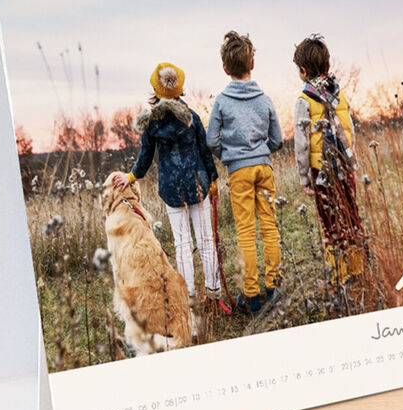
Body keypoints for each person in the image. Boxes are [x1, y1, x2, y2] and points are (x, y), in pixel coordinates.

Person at [116, 62, 223, 304]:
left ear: (156, 90)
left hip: (171, 189)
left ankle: (189, 297)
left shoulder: (151, 124)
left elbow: (144, 158)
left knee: (182, 244)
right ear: (179, 88)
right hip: (198, 184)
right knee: (206, 240)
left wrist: (130, 177)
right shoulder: (192, 117)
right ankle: (213, 293)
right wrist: (213, 179)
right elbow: (205, 151)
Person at [207, 31, 283, 313]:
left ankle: (251, 297)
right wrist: (262, 151)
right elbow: (277, 139)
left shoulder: (221, 102)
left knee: (246, 232)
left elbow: (211, 140)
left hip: (238, 172)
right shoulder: (264, 99)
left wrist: (229, 156)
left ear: (225, 69)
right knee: (269, 226)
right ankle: (274, 287)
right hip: (264, 167)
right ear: (252, 64)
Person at [292, 33, 366, 284]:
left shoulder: (304, 100)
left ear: (303, 71)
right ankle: (356, 269)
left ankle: (339, 275)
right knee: (351, 215)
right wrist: (351, 157)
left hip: (321, 171)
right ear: (327, 64)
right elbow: (349, 129)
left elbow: (301, 144)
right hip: (345, 165)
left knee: (330, 222)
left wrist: (304, 178)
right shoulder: (339, 93)